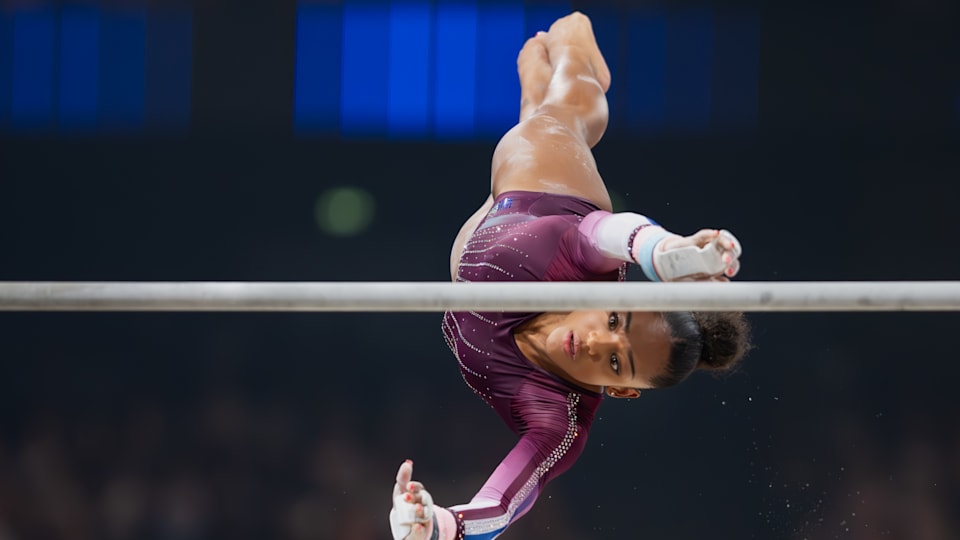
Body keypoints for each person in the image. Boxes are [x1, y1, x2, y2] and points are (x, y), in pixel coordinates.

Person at [389, 12, 750, 540]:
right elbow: (615, 233)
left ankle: (538, 93)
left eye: (615, 361)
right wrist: (670, 252)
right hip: (540, 189)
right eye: (615, 317)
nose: (596, 340)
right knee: (563, 111)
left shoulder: (558, 419)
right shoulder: (580, 262)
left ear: (622, 391)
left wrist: (441, 527)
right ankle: (577, 49)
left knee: (536, 107)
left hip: (472, 264)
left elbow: (503, 503)